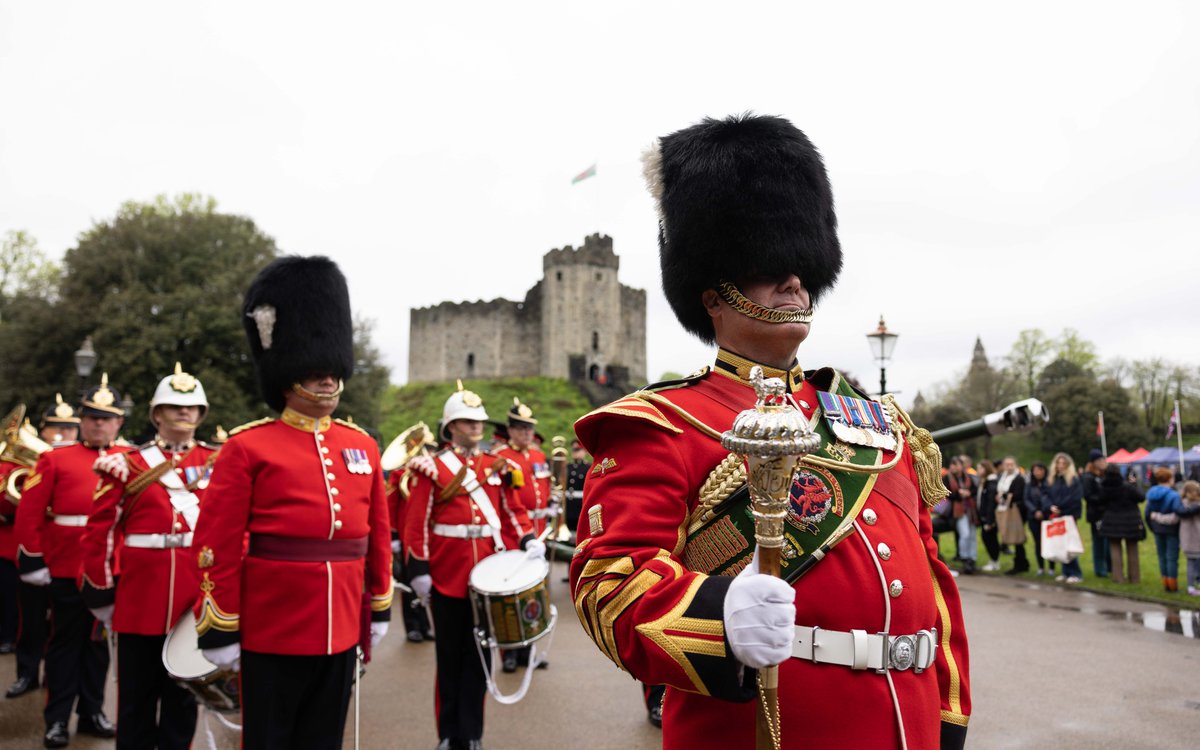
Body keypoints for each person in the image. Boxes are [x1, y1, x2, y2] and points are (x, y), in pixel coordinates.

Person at [569, 114, 971, 749]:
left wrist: (947, 717)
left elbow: (931, 581)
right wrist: (716, 621)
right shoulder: (665, 426)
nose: (793, 280)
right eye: (766, 265)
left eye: (800, 264)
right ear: (713, 294)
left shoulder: (872, 420)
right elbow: (609, 585)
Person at [190, 256, 394, 750]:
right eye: (315, 371)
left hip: (343, 618)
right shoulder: (248, 447)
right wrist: (220, 624)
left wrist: (380, 600)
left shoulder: (362, 445)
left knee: (323, 739)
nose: (327, 380)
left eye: (332, 372)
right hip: (272, 624)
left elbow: (376, 533)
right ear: (288, 374)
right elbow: (215, 541)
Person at [80, 363, 218, 749]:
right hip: (139, 599)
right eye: (174, 405)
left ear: (202, 414)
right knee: (135, 703)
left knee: (183, 701)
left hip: (194, 600)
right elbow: (100, 533)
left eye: (192, 407)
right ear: (157, 413)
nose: (184, 412)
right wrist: (102, 592)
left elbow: (229, 535)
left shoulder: (217, 463)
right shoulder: (127, 464)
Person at [402, 383, 542, 750]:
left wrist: (528, 539)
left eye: (478, 420)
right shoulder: (429, 467)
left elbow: (513, 511)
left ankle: (473, 733)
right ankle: (449, 733)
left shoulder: (498, 466)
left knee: (480, 659)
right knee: (449, 658)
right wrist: (418, 568)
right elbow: (417, 523)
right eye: (467, 421)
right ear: (450, 427)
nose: (476, 426)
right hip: (447, 576)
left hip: (489, 578)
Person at [15, 377, 129, 747]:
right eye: (92, 416)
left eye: (106, 418)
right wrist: (32, 560)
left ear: (119, 423)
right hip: (65, 569)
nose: (98, 424)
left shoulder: (130, 460)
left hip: (109, 573)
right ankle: (57, 719)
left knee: (98, 646)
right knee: (64, 645)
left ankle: (93, 712)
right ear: (82, 419)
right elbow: (30, 514)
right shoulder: (55, 458)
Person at [6, 399, 78, 700]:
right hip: (36, 550)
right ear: (43, 430)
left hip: (68, 555)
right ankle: (26, 673)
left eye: (69, 428)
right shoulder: (20, 463)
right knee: (32, 620)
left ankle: (57, 677)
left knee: (66, 627)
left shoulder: (81, 459)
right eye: (55, 428)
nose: (62, 434)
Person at [1145, 467, 1198, 592]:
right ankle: (1172, 585)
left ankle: (1166, 583)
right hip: (1171, 530)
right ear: (1169, 479)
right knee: (1171, 558)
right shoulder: (1173, 495)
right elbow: (1179, 511)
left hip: (1158, 528)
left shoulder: (1151, 493)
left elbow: (1147, 513)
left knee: (1162, 557)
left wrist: (1153, 526)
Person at [1097, 464, 1145, 584]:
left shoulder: (1104, 488)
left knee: (1115, 549)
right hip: (1130, 520)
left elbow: (1100, 501)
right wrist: (1135, 484)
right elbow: (1141, 497)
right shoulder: (1127, 487)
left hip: (1112, 520)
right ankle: (1134, 578)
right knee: (1132, 549)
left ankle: (1118, 577)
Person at [1046, 452, 1083, 583]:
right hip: (1057, 514)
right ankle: (1065, 572)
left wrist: (1059, 507)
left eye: (1063, 463)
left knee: (1070, 544)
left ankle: (1076, 573)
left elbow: (1075, 497)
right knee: (1060, 544)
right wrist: (1051, 506)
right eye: (1058, 463)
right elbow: (1047, 495)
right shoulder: (1053, 479)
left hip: (1069, 514)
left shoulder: (1073, 479)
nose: (1060, 466)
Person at [995, 457, 1029, 575]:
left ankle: (1021, 563)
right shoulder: (1002, 477)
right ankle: (1021, 562)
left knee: (1017, 537)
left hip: (1016, 511)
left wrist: (1004, 496)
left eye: (1011, 464)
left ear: (1015, 465)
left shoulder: (1019, 478)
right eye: (1007, 464)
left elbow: (1017, 494)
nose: (1009, 467)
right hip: (1004, 509)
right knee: (1011, 536)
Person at [945, 455, 979, 574]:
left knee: (972, 535)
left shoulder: (968, 477)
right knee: (965, 534)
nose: (954, 467)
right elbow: (946, 493)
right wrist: (960, 494)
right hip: (957, 510)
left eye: (956, 464)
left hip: (970, 509)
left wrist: (968, 493)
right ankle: (964, 557)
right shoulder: (947, 478)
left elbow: (975, 490)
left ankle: (972, 558)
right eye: (952, 464)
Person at [1082, 448, 1109, 578]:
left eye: (1103, 459)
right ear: (1093, 462)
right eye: (1099, 460)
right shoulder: (1089, 477)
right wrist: (1102, 499)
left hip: (1106, 513)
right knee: (1099, 542)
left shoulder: (1103, 475)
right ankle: (1099, 569)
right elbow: (1088, 495)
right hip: (1096, 514)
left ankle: (1109, 566)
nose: (1102, 462)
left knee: (1107, 542)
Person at [1025, 462, 1053, 575]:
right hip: (1033, 517)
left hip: (1047, 516)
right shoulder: (1029, 485)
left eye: (1040, 470)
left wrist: (1044, 510)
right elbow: (1026, 499)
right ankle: (1041, 566)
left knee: (1050, 542)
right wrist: (1034, 511)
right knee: (1038, 542)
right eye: (1035, 470)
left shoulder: (1049, 484)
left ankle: (1051, 566)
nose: (1038, 473)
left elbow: (1051, 498)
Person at [976, 460, 1001, 571]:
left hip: (989, 517)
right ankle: (993, 560)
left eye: (980, 468)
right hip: (984, 516)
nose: (978, 471)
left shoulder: (991, 482)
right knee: (987, 538)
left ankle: (994, 561)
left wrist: (989, 520)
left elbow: (991, 502)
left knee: (990, 538)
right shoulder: (984, 481)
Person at [1180, 481, 1200, 595]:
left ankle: (1191, 586)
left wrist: (1156, 517)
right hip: (1197, 539)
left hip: (1187, 540)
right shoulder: (1197, 505)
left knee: (1191, 564)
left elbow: (1173, 519)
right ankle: (1195, 585)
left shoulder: (1182, 505)